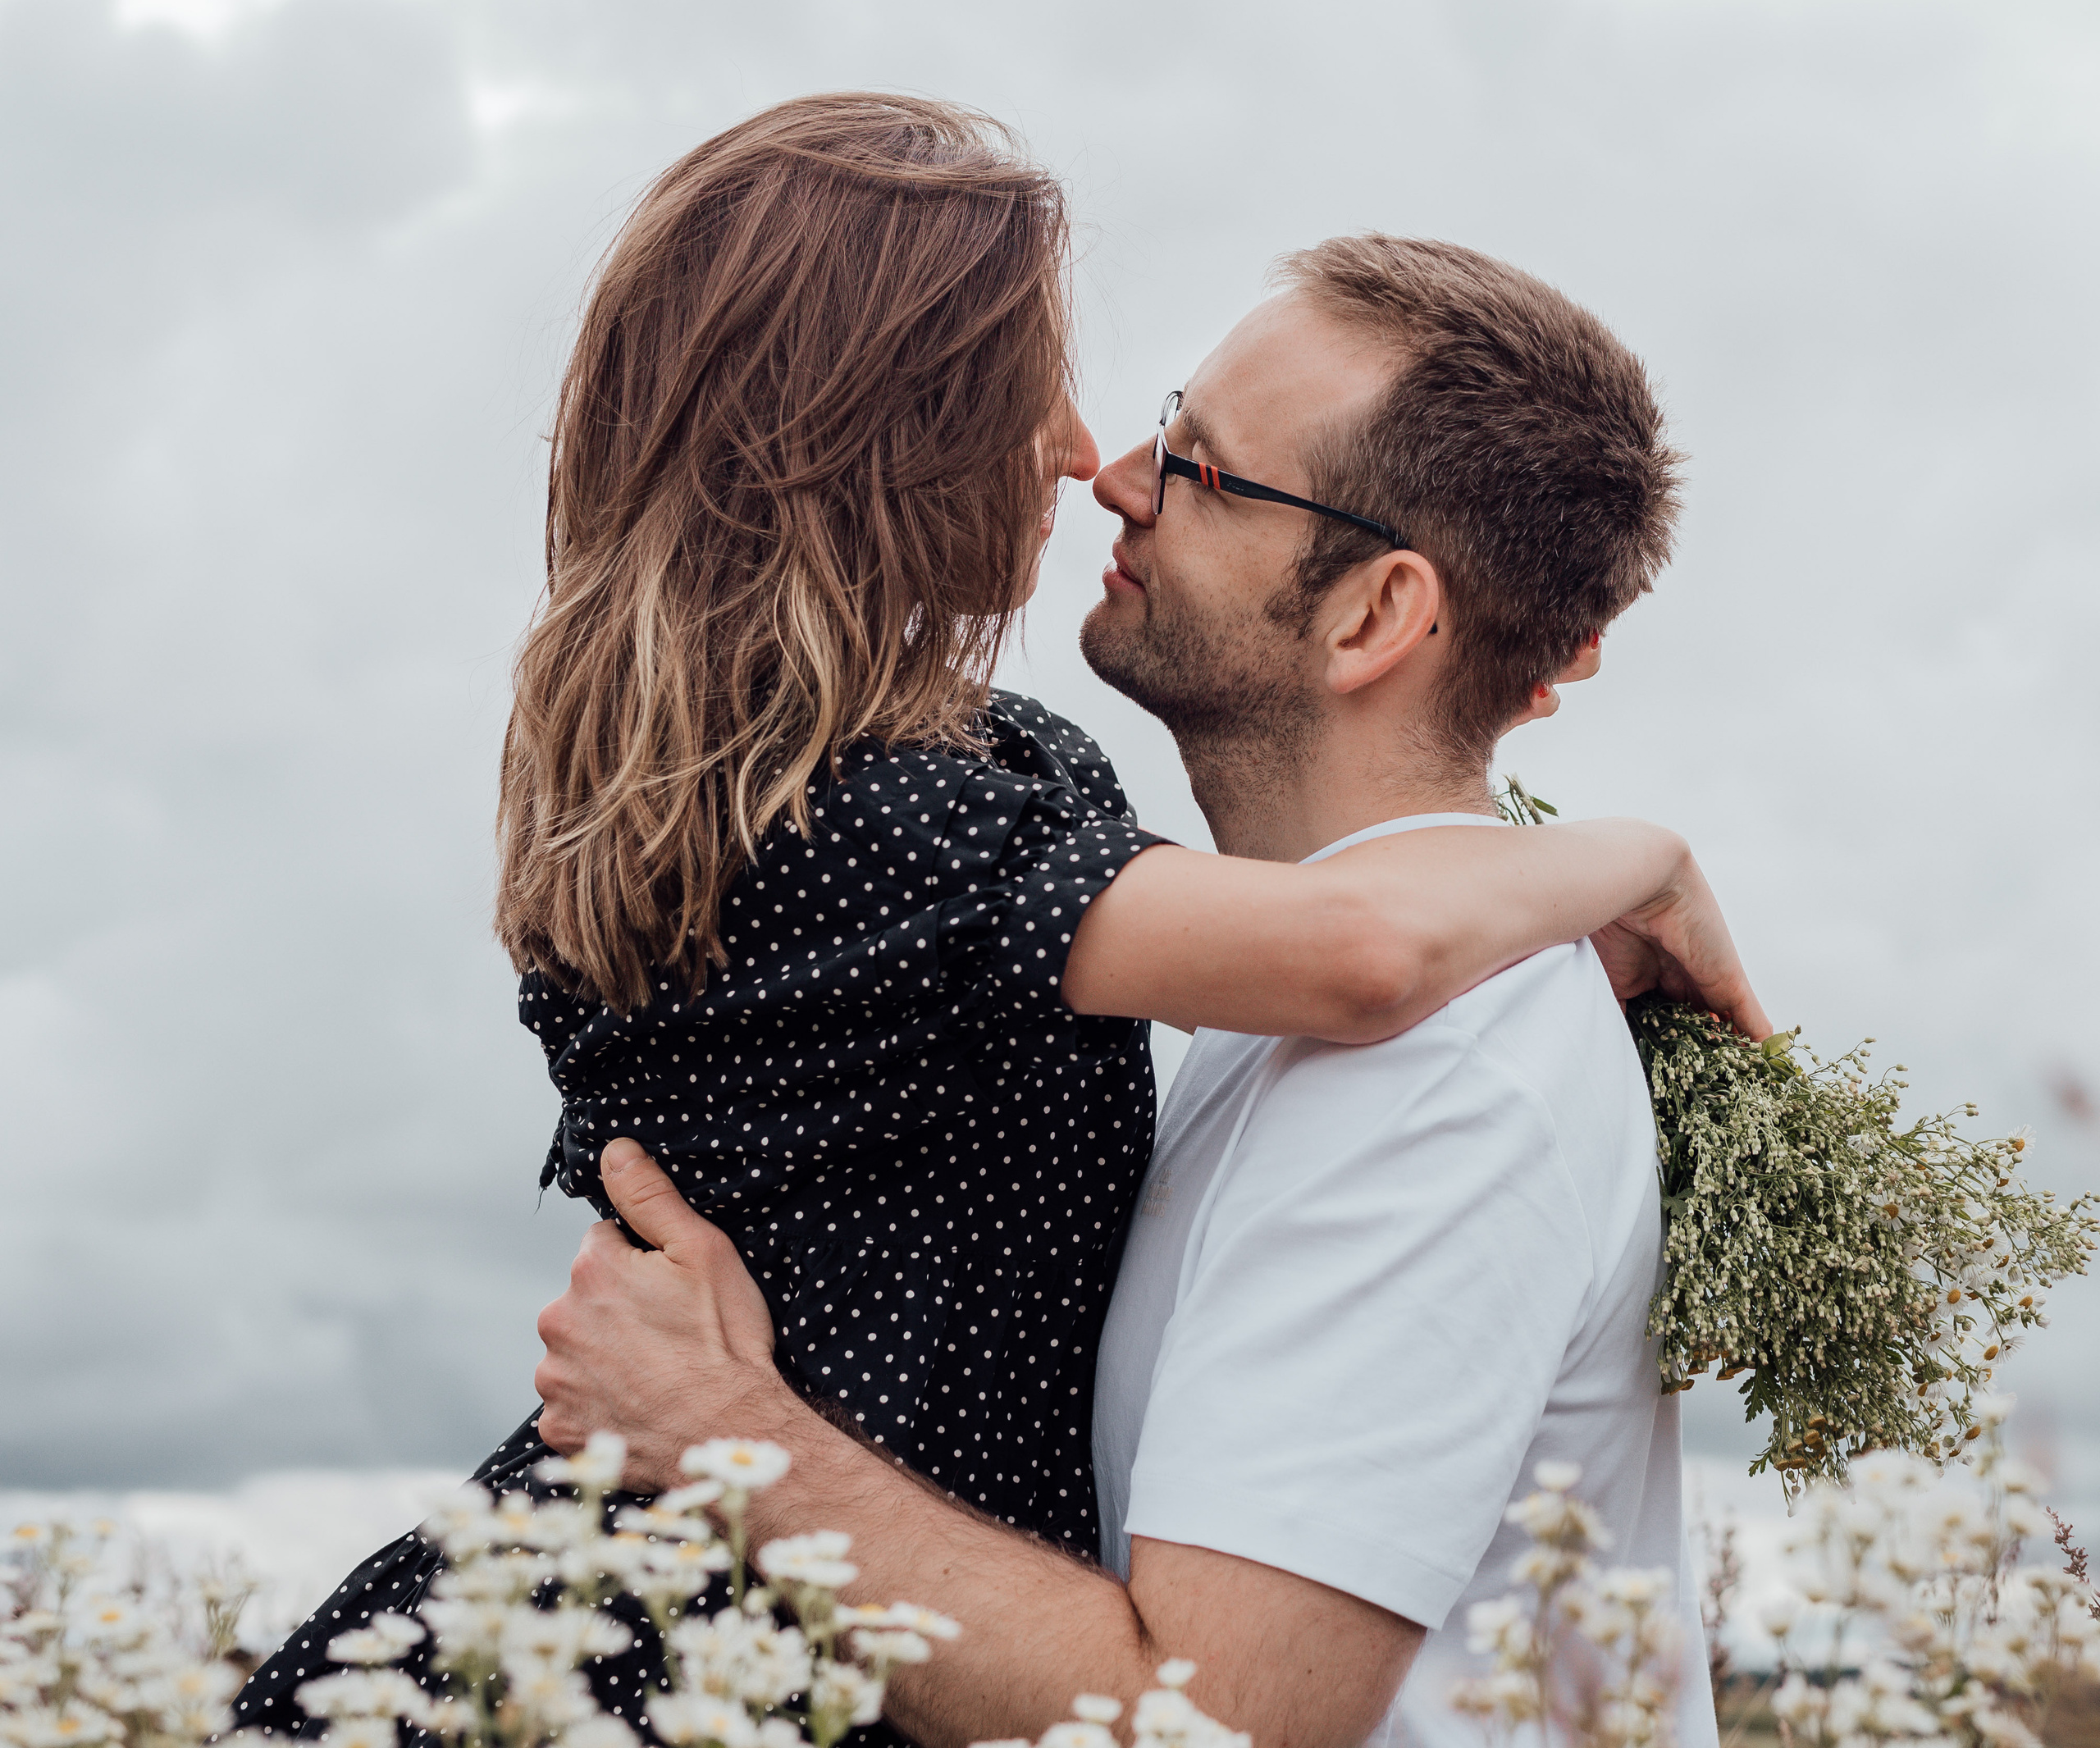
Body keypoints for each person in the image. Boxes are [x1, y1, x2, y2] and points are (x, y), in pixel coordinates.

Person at [231, 97, 1758, 1740]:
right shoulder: (915, 826)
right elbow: (1357, 942)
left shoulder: (1441, 1048)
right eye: (1126, 417)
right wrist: (1636, 857)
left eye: (1197, 463)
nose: (1100, 465)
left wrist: (721, 1424)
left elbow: (1208, 1720)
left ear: (1381, 607)